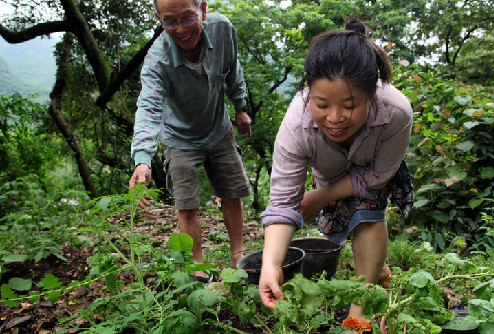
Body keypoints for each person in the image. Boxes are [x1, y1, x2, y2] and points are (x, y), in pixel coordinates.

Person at [258, 20, 413, 332]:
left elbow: (376, 177)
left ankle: (359, 316)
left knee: (367, 211)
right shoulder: (296, 125)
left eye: (349, 105)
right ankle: (375, 269)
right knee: (347, 225)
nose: (335, 118)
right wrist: (270, 264)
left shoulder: (396, 112)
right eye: (321, 104)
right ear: (308, 94)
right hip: (329, 172)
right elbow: (283, 203)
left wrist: (320, 196)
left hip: (374, 173)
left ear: (372, 95)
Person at [129, 0, 252, 281]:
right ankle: (198, 270)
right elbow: (148, 108)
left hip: (218, 127)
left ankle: (238, 258)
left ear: (203, 10)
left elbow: (233, 67)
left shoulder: (222, 30)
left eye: (187, 18)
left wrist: (240, 107)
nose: (181, 29)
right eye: (170, 21)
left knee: (232, 192)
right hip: (179, 136)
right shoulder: (157, 60)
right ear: (159, 19)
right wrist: (143, 160)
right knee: (186, 202)